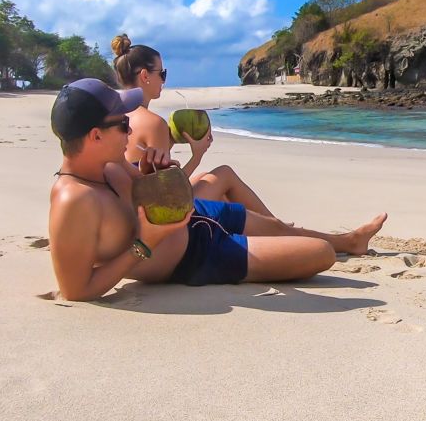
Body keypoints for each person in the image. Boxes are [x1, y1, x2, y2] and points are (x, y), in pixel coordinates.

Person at [47, 78, 386, 301]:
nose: (130, 130)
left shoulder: (110, 163)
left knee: (280, 228)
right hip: (194, 258)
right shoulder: (74, 200)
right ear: (94, 136)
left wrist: (153, 175)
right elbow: (76, 290)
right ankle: (332, 247)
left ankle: (350, 242)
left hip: (195, 217)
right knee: (318, 254)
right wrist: (144, 245)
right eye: (123, 124)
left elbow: (139, 198)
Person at [109, 34, 275, 217]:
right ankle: (276, 226)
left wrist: (170, 141)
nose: (164, 80)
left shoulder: (115, 116)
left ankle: (270, 225)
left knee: (208, 181)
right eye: (162, 73)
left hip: (128, 207)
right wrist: (198, 154)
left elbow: (145, 170)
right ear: (145, 75)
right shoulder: (153, 123)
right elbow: (168, 192)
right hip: (152, 214)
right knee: (224, 174)